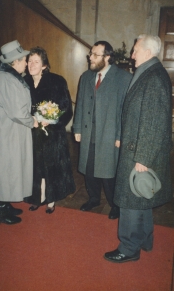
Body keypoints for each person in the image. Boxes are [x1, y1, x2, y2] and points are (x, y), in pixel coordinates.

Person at [104, 34, 172, 263]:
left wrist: (143, 158)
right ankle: (144, 239)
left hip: (140, 153)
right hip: (137, 147)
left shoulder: (153, 77)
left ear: (148, 52)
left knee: (130, 202)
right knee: (141, 198)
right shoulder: (151, 73)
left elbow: (153, 122)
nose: (131, 55)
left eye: (135, 50)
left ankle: (129, 248)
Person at [0, 40, 38, 225]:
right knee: (2, 172)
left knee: (8, 170)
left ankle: (5, 204)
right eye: (24, 59)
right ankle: (0, 212)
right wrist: (32, 121)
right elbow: (17, 112)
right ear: (15, 61)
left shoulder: (9, 77)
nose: (27, 62)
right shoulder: (6, 79)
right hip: (5, 135)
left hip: (9, 132)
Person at [72, 41, 132, 219]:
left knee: (109, 173)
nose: (90, 57)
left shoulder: (123, 79)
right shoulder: (86, 77)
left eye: (95, 55)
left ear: (107, 57)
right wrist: (77, 127)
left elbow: (126, 110)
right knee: (89, 169)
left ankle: (115, 204)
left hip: (109, 134)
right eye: (91, 54)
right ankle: (94, 198)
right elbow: (81, 104)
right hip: (89, 132)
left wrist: (121, 135)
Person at [24, 46, 75, 213]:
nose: (31, 64)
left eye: (36, 61)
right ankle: (37, 197)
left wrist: (51, 121)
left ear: (44, 65)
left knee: (49, 167)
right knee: (35, 166)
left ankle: (51, 199)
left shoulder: (57, 81)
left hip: (51, 134)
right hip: (31, 133)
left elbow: (66, 108)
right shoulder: (24, 82)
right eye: (29, 61)